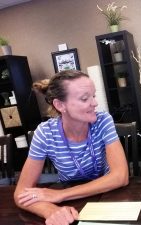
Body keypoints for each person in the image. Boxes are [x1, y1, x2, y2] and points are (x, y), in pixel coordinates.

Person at [14, 70, 129, 225]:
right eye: (84, 98)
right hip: (71, 205)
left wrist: (61, 195)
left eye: (93, 96)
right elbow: (21, 193)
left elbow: (120, 177)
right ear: (60, 105)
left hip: (107, 192)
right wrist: (52, 211)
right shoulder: (45, 133)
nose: (95, 103)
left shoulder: (103, 121)